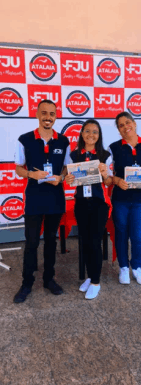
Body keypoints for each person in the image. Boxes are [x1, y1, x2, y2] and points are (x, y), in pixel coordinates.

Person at [13, 100, 70, 303]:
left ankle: (49, 279)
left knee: (50, 241)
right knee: (31, 242)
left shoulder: (64, 141)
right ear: (37, 114)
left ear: (56, 116)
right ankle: (26, 283)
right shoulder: (25, 139)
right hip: (35, 198)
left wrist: (61, 178)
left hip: (55, 197)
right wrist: (31, 174)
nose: (48, 117)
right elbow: (18, 168)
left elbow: (66, 168)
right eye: (44, 113)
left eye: (52, 114)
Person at [108, 111, 141, 285]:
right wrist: (117, 180)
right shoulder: (113, 147)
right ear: (118, 130)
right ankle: (124, 267)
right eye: (121, 125)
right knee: (122, 233)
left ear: (134, 123)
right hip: (121, 199)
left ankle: (137, 267)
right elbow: (107, 176)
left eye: (127, 123)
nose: (125, 127)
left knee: (139, 235)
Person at [65, 119, 112, 300]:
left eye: (95, 132)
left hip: (99, 204)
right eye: (87, 131)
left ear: (99, 135)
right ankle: (90, 276)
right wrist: (68, 180)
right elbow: (69, 178)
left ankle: (96, 282)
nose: (91, 135)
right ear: (82, 133)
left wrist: (105, 174)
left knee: (94, 242)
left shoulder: (105, 155)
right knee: (84, 242)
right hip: (81, 203)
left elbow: (109, 182)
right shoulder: (74, 155)